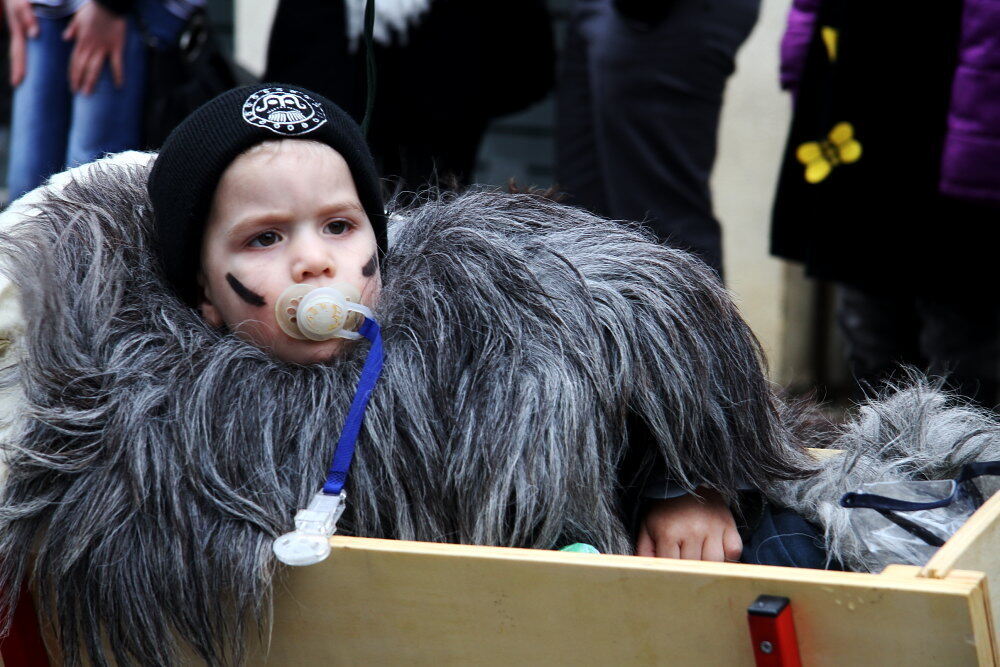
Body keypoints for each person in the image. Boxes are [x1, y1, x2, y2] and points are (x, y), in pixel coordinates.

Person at [0, 83, 830, 663]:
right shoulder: (168, 423)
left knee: (797, 554)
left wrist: (684, 480)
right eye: (263, 239)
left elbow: (647, 342)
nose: (314, 262)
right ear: (205, 297)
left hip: (612, 608)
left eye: (337, 224)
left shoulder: (483, 333)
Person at [771, 0, 1000, 407]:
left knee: (959, 336)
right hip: (856, 107)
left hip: (956, 109)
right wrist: (801, 62)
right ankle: (883, 457)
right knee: (870, 327)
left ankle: (963, 461)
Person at [556, 0, 760, 277]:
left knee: (659, 223)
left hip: (671, 14)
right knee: (584, 209)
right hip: (607, 11)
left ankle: (695, 319)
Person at [2, 0, 197, 201]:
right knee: (26, 190)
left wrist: (110, 6)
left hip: (127, 13)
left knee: (90, 191)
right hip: (43, 11)